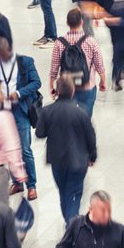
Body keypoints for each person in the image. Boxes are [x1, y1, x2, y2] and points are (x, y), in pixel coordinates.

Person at [35, 76, 96, 224]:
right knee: (74, 194)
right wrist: (92, 156)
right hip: (78, 161)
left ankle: (70, 223)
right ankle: (71, 226)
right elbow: (90, 137)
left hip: (57, 162)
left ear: (57, 90)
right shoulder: (82, 112)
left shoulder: (47, 111)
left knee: (64, 194)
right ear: (73, 91)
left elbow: (39, 133)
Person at [0, 37, 40, 200]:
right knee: (8, 149)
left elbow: (36, 82)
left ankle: (32, 185)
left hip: (20, 111)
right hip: (2, 113)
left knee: (25, 149)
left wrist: (18, 93)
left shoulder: (26, 62)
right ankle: (17, 182)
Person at [49, 8, 107, 118]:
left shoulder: (59, 43)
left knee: (68, 119)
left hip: (66, 88)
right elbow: (99, 64)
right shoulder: (90, 41)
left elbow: (54, 67)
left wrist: (52, 86)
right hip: (87, 86)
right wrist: (102, 81)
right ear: (81, 22)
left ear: (67, 23)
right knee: (85, 119)